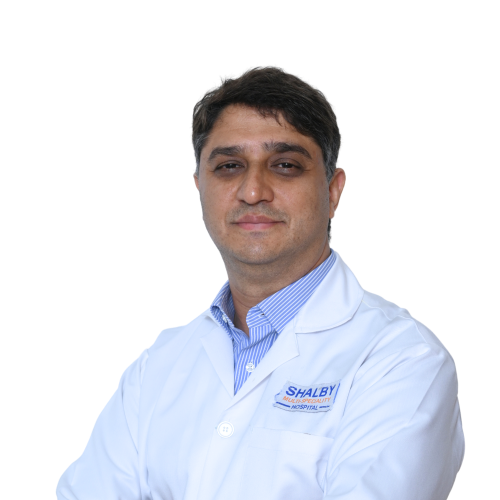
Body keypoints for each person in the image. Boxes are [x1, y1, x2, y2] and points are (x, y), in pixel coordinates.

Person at [55, 65, 465, 499]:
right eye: (229, 166)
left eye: (285, 165)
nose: (253, 191)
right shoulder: (157, 366)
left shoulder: (403, 361)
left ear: (333, 191)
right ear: (199, 188)